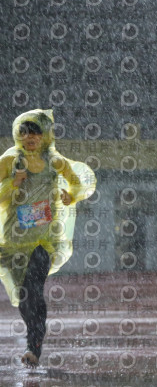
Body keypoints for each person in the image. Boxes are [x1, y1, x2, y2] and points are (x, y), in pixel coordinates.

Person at [0, 109, 96, 368]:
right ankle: (33, 335)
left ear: (44, 136)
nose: (29, 137)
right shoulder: (9, 161)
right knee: (23, 296)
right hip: (14, 241)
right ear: (17, 135)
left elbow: (78, 184)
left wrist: (71, 195)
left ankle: (33, 347)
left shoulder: (55, 161)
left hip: (45, 239)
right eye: (24, 133)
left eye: (35, 133)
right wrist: (12, 184)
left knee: (34, 288)